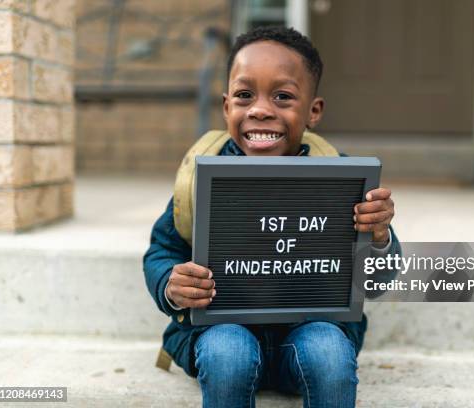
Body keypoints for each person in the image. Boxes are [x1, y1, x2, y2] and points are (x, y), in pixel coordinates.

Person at [143, 26, 400, 408]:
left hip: (310, 331)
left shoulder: (343, 180)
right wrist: (171, 284)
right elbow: (162, 250)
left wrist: (378, 237)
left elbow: (379, 277)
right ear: (227, 106)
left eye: (282, 96)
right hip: (221, 331)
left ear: (314, 111)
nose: (260, 110)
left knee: (329, 356)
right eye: (245, 96)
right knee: (227, 355)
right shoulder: (200, 178)